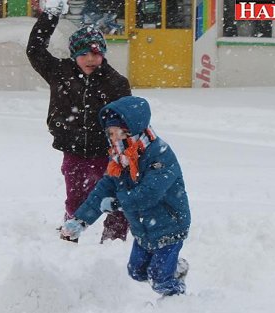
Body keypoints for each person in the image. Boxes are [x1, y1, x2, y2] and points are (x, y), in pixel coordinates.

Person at [60, 96, 191, 297]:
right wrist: (80, 220)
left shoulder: (160, 155)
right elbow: (103, 189)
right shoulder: (120, 157)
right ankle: (174, 268)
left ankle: (179, 298)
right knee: (136, 272)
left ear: (131, 129)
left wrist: (117, 204)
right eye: (109, 133)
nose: (112, 137)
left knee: (159, 279)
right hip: (143, 228)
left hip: (169, 225)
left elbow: (149, 193)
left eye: (116, 132)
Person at [27, 0, 132, 243]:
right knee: (76, 200)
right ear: (74, 55)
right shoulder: (60, 72)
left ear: (103, 53)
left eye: (95, 53)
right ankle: (68, 239)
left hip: (107, 153)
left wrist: (124, 152)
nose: (90, 59)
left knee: (115, 201)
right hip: (73, 150)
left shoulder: (115, 82)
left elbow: (127, 122)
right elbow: (35, 50)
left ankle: (113, 244)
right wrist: (50, 15)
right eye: (83, 53)